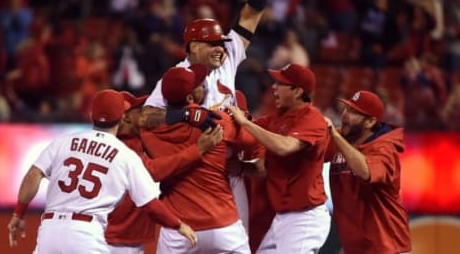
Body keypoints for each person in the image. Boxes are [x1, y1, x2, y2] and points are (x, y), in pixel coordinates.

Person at [142, 0, 281, 234]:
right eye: (212, 43)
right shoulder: (178, 76)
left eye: (221, 43)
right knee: (193, 240)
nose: (220, 48)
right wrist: (184, 114)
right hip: (195, 168)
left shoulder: (227, 58)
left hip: (229, 167)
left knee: (236, 236)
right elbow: (146, 118)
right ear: (193, 46)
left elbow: (249, 18)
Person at [7, 89, 197, 253]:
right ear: (122, 117)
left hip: (49, 229)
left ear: (92, 115)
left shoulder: (63, 141)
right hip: (85, 233)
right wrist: (178, 225)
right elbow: (150, 205)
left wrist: (18, 214)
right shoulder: (125, 155)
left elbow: (34, 174)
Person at [141, 64, 261, 254]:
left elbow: (143, 123)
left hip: (179, 229)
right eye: (198, 84)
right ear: (190, 97)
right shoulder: (217, 120)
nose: (204, 85)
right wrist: (243, 120)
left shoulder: (149, 131)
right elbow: (254, 141)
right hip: (223, 225)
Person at [227, 63, 331, 254]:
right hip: (282, 217)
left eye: (280, 83)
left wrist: (244, 123)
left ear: (298, 91)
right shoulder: (278, 117)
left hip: (304, 217)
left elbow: (285, 147)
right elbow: (248, 135)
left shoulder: (313, 118)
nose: (273, 87)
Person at [106, 91, 223, 254]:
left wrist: (185, 115)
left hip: (117, 235)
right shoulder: (124, 146)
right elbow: (152, 171)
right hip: (115, 239)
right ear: (126, 117)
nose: (145, 113)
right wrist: (198, 150)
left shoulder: (134, 140)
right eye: (140, 109)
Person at [324, 90, 412, 254]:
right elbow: (304, 149)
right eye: (346, 109)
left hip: (387, 247)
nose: (344, 115)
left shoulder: (385, 149)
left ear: (370, 122)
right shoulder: (343, 136)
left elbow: (365, 172)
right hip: (354, 247)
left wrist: (335, 137)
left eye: (353, 112)